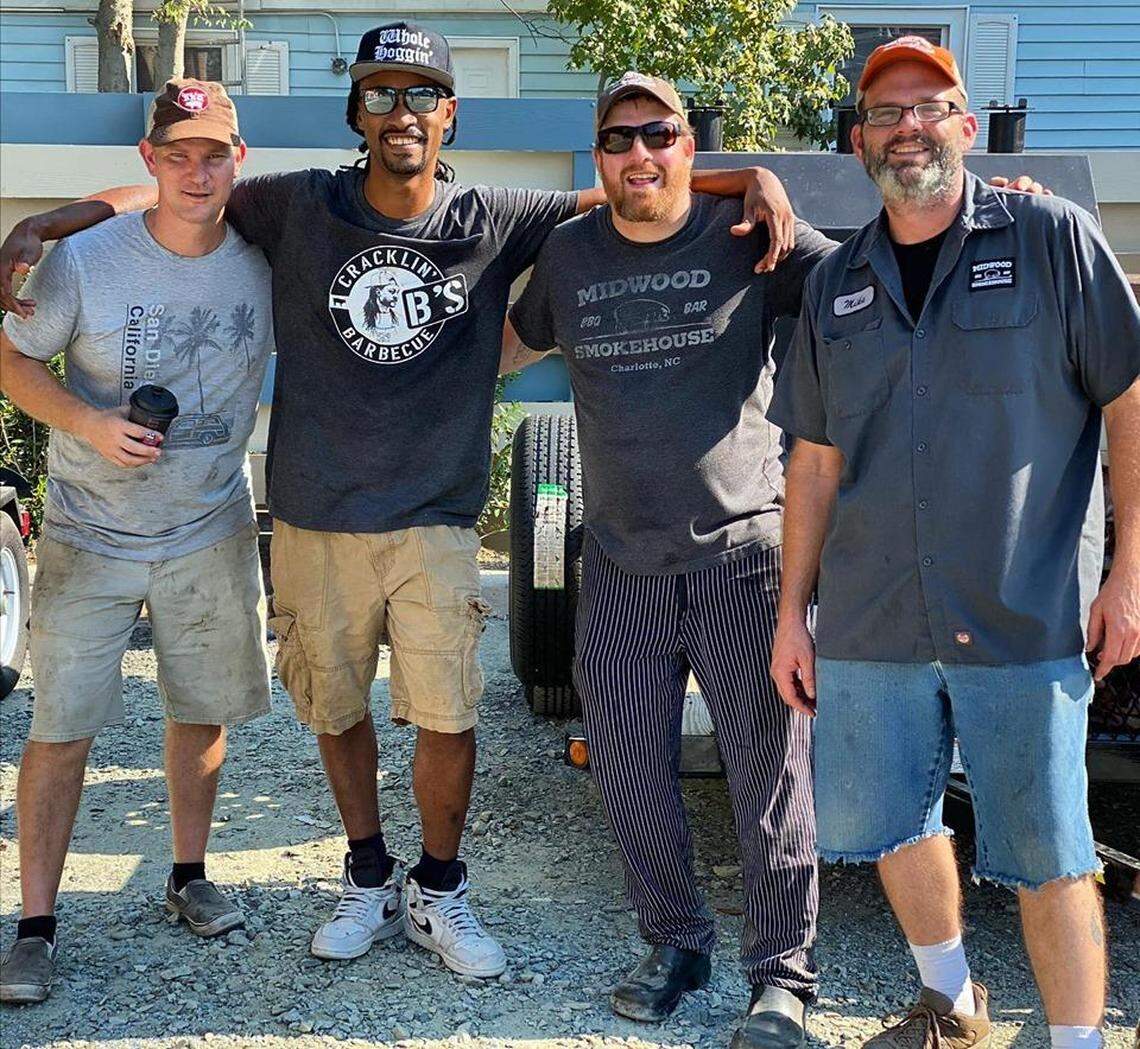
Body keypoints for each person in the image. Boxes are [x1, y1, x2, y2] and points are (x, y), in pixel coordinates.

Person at [0, 24, 796, 979]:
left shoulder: (496, 214)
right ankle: (368, 874)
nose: (401, 113)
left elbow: (629, 185)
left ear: (449, 113)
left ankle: (439, 886)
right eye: (380, 95)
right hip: (314, 510)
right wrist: (57, 220)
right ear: (358, 116)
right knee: (335, 709)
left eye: (421, 95)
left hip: (436, 512)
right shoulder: (297, 206)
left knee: (448, 715)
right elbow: (180, 195)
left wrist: (750, 179)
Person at [768, 36, 1140, 1049]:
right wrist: (790, 614)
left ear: (965, 128)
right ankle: (956, 1004)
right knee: (894, 825)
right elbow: (811, 460)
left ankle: (1075, 1039)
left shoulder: (1052, 238)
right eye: (885, 112)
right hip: (872, 615)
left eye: (929, 106)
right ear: (859, 143)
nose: (907, 126)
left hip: (1018, 611)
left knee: (1051, 851)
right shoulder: (835, 283)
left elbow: (1130, 401)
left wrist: (1129, 572)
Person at [502, 72, 835, 1048]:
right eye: (619, 139)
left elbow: (870, 282)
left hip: (744, 561)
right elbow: (503, 349)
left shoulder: (750, 240)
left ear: (691, 147)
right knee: (629, 771)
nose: (639, 153)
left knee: (770, 778)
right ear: (599, 156)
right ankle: (677, 941)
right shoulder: (569, 257)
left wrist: (1004, 223)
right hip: (616, 565)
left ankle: (782, 981)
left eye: (660, 134)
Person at [0, 80, 274, 1004]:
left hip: (211, 523)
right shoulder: (86, 261)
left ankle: (188, 872)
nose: (196, 172)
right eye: (177, 153)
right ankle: (35, 924)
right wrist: (87, 422)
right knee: (60, 725)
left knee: (200, 710)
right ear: (148, 158)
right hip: (90, 528)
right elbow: (9, 357)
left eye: (215, 153)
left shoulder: (267, 248)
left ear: (242, 158)